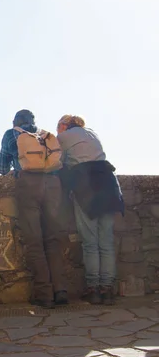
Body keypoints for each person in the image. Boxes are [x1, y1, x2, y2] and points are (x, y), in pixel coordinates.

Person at [0, 109, 68, 309]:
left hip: (29, 185)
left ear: (15, 122)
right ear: (33, 121)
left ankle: (45, 294)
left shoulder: (12, 134)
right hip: (53, 185)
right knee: (52, 239)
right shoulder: (44, 135)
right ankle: (60, 290)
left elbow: (1, 168)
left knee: (34, 240)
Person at [57, 115, 123, 305]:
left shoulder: (65, 136)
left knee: (90, 242)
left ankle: (93, 288)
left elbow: (55, 161)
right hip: (108, 184)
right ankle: (107, 289)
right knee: (107, 241)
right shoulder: (91, 133)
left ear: (63, 125)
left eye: (58, 127)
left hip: (86, 186)